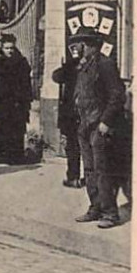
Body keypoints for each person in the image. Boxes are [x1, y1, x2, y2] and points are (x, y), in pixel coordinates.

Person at [72, 30, 127, 229]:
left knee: (102, 169)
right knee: (88, 168)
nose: (76, 48)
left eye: (80, 44)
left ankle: (110, 213)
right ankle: (95, 207)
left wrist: (106, 121)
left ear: (90, 45)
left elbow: (117, 95)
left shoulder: (105, 64)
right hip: (85, 124)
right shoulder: (84, 66)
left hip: (99, 126)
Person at [0, 34, 32, 165]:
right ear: (2, 48)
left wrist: (25, 101)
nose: (9, 51)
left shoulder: (22, 62)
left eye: (11, 48)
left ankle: (16, 156)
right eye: (6, 48)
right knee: (1, 128)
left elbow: (26, 83)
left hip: (17, 102)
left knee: (16, 129)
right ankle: (2, 155)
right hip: (1, 101)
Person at [52, 40, 85, 188]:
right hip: (77, 112)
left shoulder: (73, 66)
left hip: (74, 112)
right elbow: (57, 76)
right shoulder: (79, 66)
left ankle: (74, 176)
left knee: (73, 146)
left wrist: (68, 64)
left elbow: (56, 76)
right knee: (78, 146)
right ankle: (77, 177)